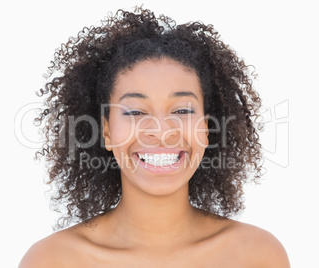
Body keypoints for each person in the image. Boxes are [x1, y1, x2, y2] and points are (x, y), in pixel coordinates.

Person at [19, 7, 290, 267]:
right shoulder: (51, 261)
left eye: (182, 110)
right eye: (135, 111)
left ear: (206, 129)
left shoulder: (258, 256)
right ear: (107, 132)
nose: (161, 132)